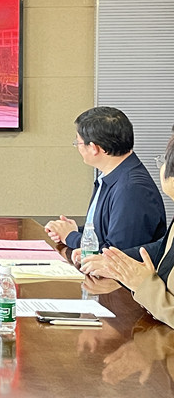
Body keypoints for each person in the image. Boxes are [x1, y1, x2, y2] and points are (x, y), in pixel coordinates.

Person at [81, 129, 174, 328]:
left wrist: (143, 284)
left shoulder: (132, 185)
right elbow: (163, 248)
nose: (162, 168)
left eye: (165, 160)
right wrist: (116, 264)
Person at [45, 107, 165, 258]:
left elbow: (117, 255)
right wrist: (78, 231)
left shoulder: (132, 189)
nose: (77, 147)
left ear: (94, 148)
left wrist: (70, 237)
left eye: (78, 143)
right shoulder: (113, 176)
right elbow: (108, 233)